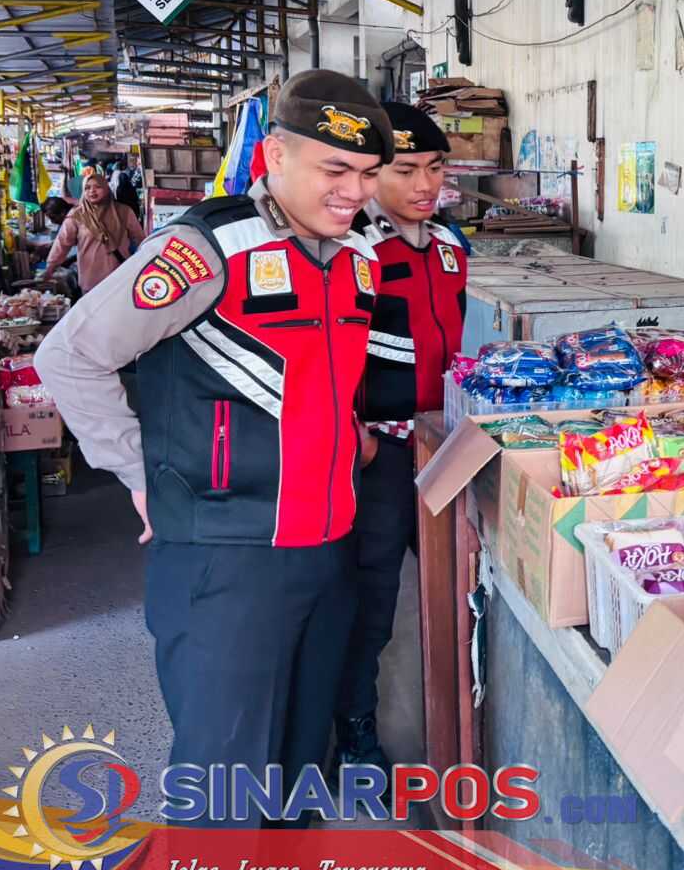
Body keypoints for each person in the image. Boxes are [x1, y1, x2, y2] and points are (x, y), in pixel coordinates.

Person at [35, 70, 394, 826]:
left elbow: (311, 383)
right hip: (225, 557)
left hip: (327, 547)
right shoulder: (205, 250)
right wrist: (136, 471)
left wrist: (345, 437)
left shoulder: (358, 257)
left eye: (366, 174)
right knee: (224, 784)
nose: (353, 192)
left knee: (302, 772)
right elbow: (68, 355)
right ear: (272, 156)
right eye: (335, 170)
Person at [333, 101, 466, 779]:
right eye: (406, 169)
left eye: (436, 168)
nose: (425, 184)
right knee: (372, 598)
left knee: (455, 586)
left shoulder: (449, 250)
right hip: (377, 456)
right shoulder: (353, 254)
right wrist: (349, 431)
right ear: (374, 175)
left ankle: (459, 724)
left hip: (444, 446)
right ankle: (355, 731)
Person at [41, 171, 145, 292]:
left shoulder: (124, 212)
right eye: (87, 188)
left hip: (119, 278)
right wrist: (50, 267)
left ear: (106, 188)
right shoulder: (77, 215)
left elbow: (140, 240)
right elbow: (62, 243)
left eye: (97, 187)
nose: (92, 191)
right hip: (90, 281)